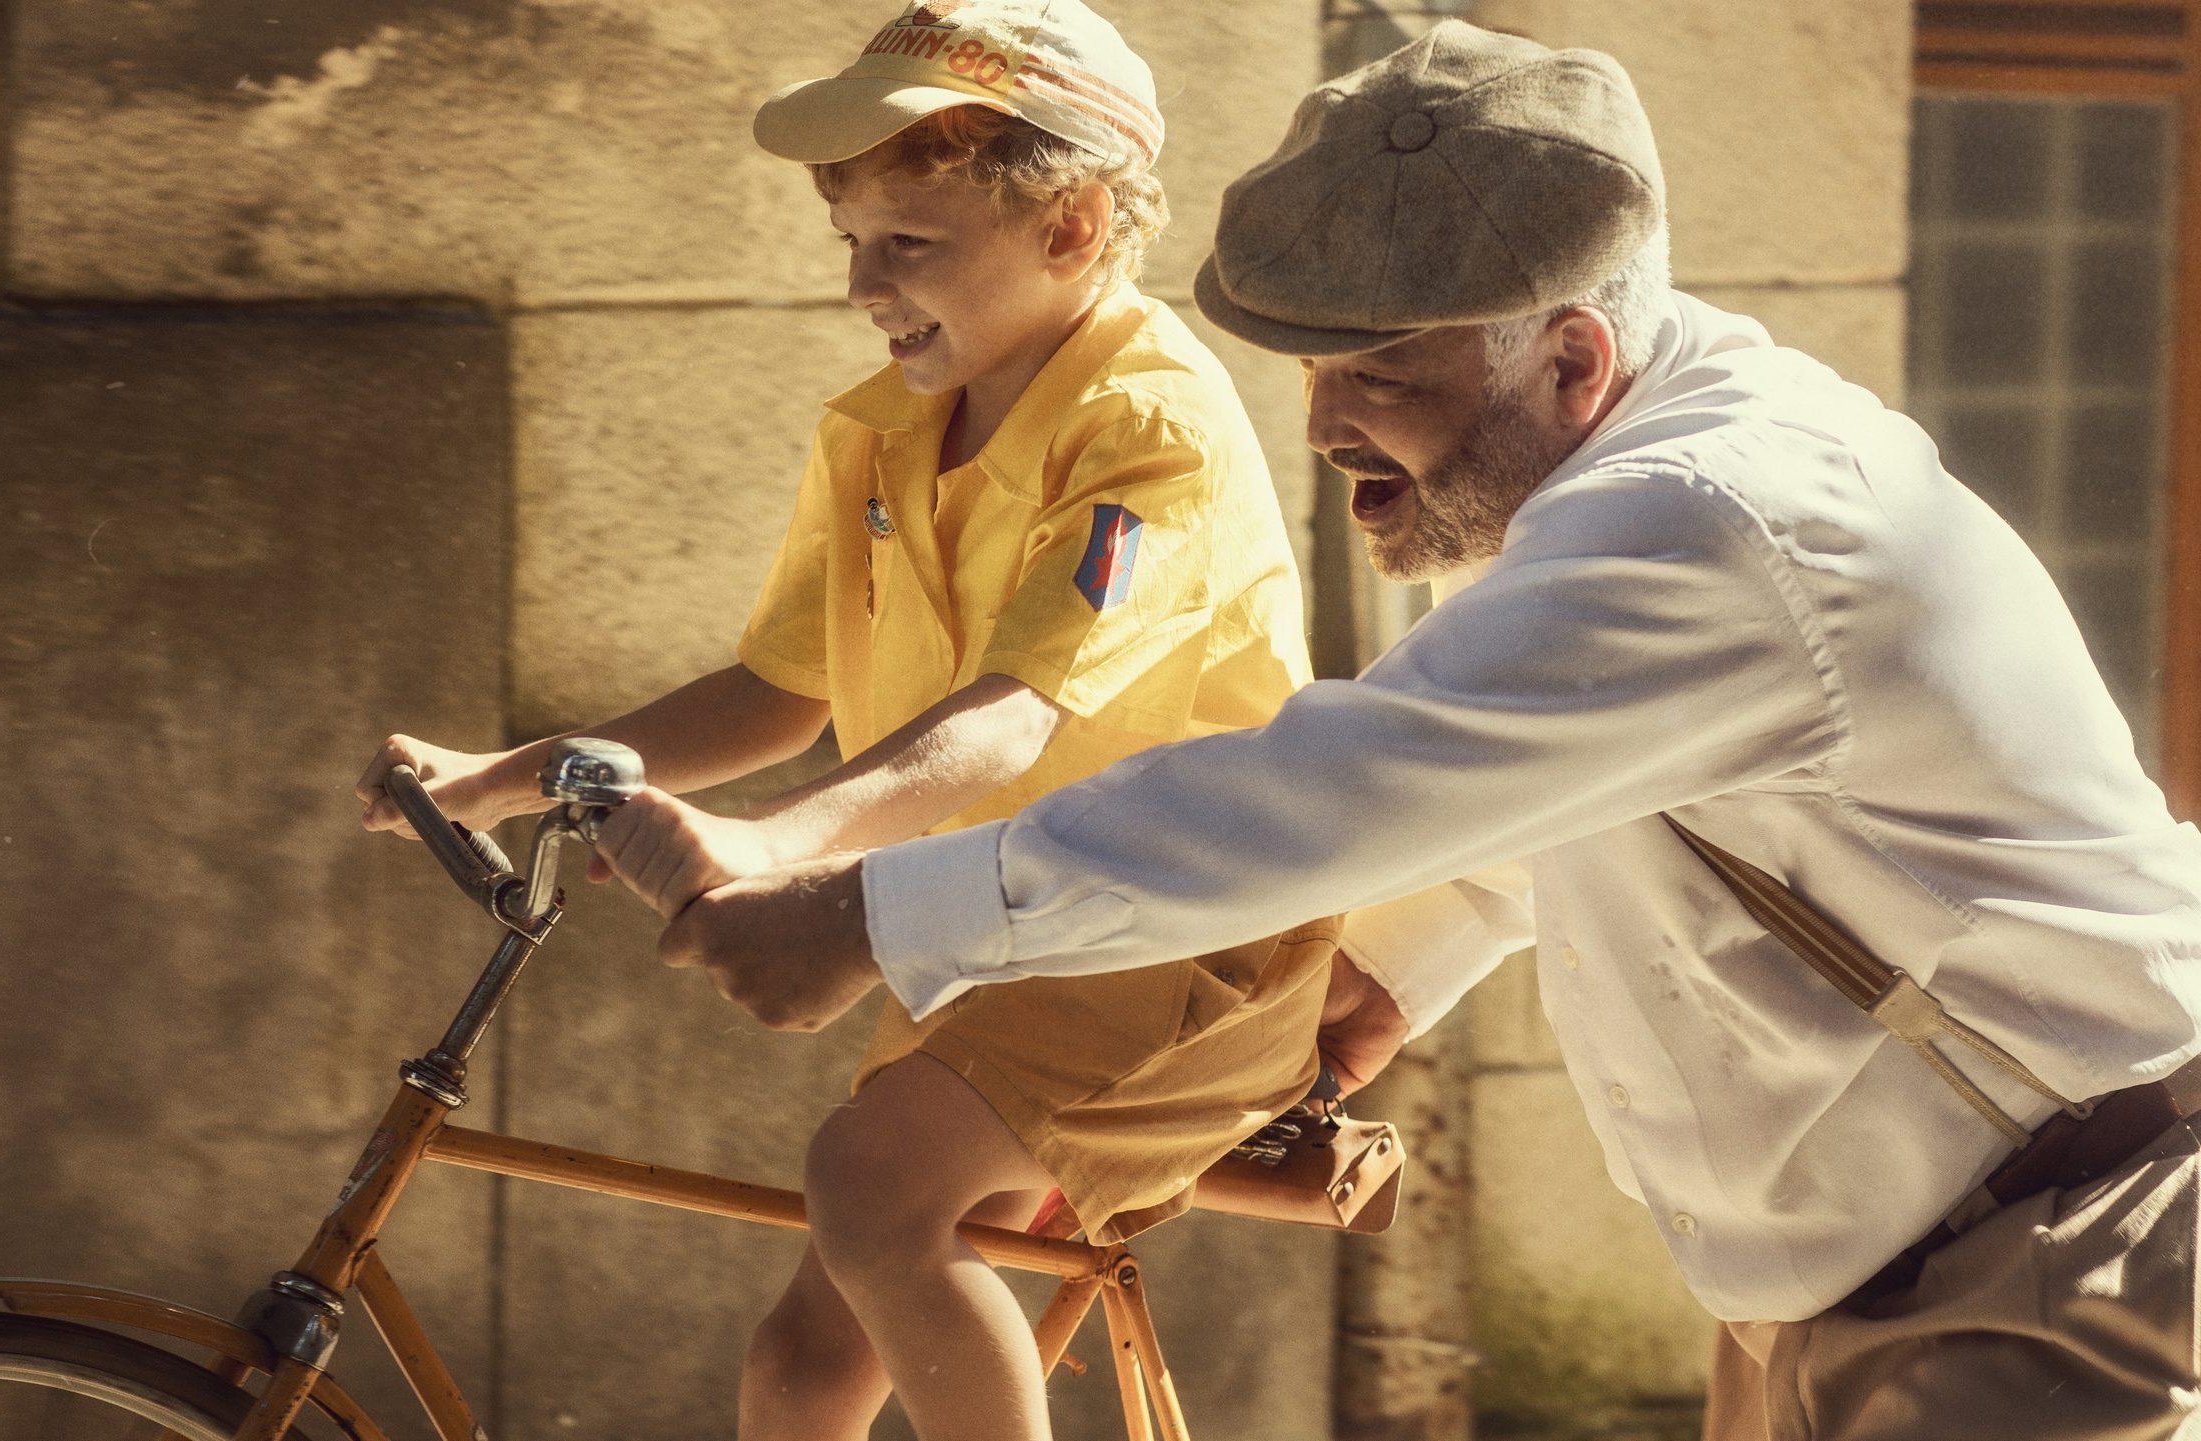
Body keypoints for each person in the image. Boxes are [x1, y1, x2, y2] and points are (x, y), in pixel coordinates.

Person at [644, 21, 2201, 1441]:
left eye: (1377, 379)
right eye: (1315, 372)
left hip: (2051, 1256)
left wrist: (874, 910)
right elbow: (1572, 795)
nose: (1322, 434)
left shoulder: (1711, 523)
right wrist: (1386, 967)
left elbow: (1344, 789)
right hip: (1842, 1283)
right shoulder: (1615, 478)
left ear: (1574, 358)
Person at [357, 4, 1359, 1437]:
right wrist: (507, 774)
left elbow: (1013, 717)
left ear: (1072, 228)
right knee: (802, 1369)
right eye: (852, 243)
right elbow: (782, 684)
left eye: (911, 245)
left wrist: (774, 848)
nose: (862, 287)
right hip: (1001, 934)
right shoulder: (881, 427)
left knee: (872, 1186)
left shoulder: (1152, 426)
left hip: (1179, 933)